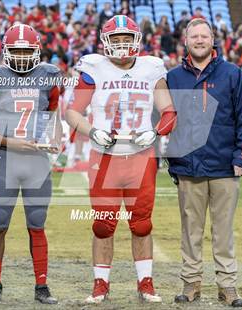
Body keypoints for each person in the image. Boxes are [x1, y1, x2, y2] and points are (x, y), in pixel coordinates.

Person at [65, 15, 176, 304]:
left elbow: (169, 112)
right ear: (106, 42)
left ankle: (146, 283)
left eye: (127, 38)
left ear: (137, 41)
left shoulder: (151, 68)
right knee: (103, 225)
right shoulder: (94, 68)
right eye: (116, 39)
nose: (123, 44)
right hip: (104, 158)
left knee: (141, 224)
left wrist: (153, 133)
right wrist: (93, 131)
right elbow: (73, 112)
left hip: (141, 156)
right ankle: (101, 284)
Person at [167, 18, 242, 307]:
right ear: (186, 40)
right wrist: (172, 159)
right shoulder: (173, 78)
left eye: (205, 36)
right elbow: (166, 122)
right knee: (190, 230)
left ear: (213, 39)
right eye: (195, 36)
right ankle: (191, 284)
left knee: (223, 231)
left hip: (225, 167)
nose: (200, 40)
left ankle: (227, 287)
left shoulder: (233, 74)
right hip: (188, 167)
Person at [0, 24, 62, 304]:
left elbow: (54, 116)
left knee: (37, 225)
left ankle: (41, 286)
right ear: (6, 52)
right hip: (7, 160)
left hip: (37, 162)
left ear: (36, 51)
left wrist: (54, 140)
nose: (23, 57)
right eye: (17, 51)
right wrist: (12, 143)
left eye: (27, 51)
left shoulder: (48, 77)